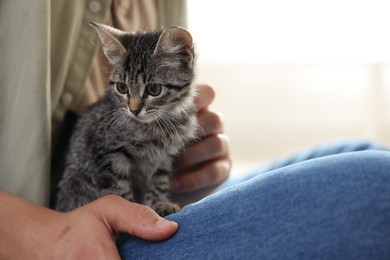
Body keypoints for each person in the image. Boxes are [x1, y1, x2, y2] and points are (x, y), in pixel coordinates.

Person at [0, 1, 389, 260]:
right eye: (124, 91)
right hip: (68, 229)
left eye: (148, 91)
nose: (133, 107)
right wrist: (38, 235)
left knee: (364, 150)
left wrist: (192, 179)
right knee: (375, 186)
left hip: (146, 199)